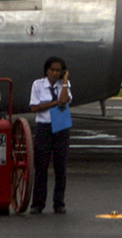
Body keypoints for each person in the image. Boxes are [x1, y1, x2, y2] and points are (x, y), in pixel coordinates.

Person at [30, 56, 72, 214]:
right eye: (52, 70)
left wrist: (65, 80)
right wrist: (54, 104)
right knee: (41, 166)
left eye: (58, 71)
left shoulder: (65, 85)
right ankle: (38, 203)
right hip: (45, 126)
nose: (55, 73)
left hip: (61, 125)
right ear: (47, 70)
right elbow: (35, 107)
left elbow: (64, 99)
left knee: (60, 166)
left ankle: (59, 202)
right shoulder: (38, 85)